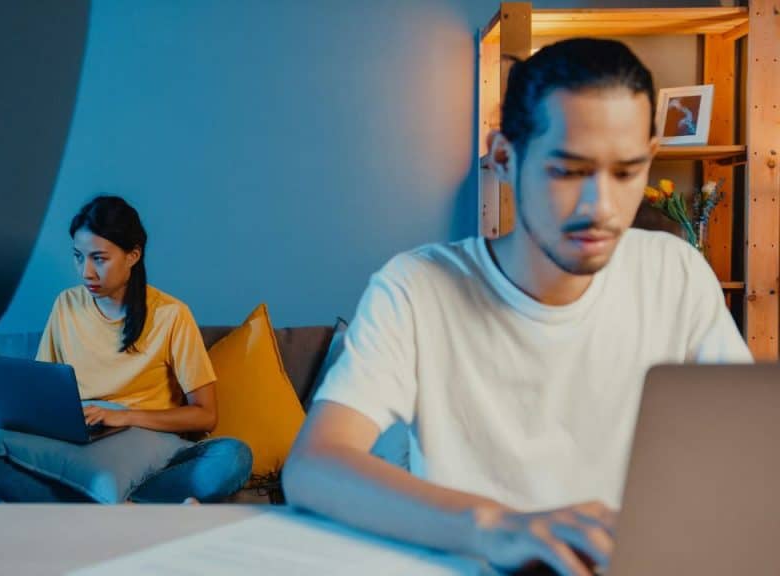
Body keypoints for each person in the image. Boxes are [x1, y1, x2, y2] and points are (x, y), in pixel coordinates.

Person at [282, 38, 750, 576]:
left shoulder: (675, 272)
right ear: (504, 157)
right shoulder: (416, 286)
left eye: (626, 172)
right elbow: (314, 466)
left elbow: (748, 451)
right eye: (568, 171)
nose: (600, 206)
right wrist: (498, 526)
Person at [0, 195, 252, 503]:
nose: (86, 272)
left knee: (233, 457)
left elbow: (205, 416)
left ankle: (104, 500)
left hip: (151, 449)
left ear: (133, 255)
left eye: (99, 258)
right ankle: (133, 502)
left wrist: (125, 417)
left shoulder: (171, 314)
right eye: (78, 256)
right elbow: (44, 397)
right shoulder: (66, 306)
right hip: (84, 449)